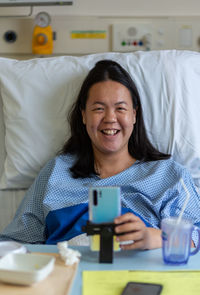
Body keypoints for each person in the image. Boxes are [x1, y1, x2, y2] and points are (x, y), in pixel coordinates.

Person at [0, 59, 200, 250]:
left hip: (138, 276)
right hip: (67, 272)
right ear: (84, 115)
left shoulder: (168, 175)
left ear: (134, 115)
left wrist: (155, 238)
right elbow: (16, 242)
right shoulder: (56, 172)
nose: (110, 118)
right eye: (98, 109)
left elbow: (194, 239)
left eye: (120, 108)